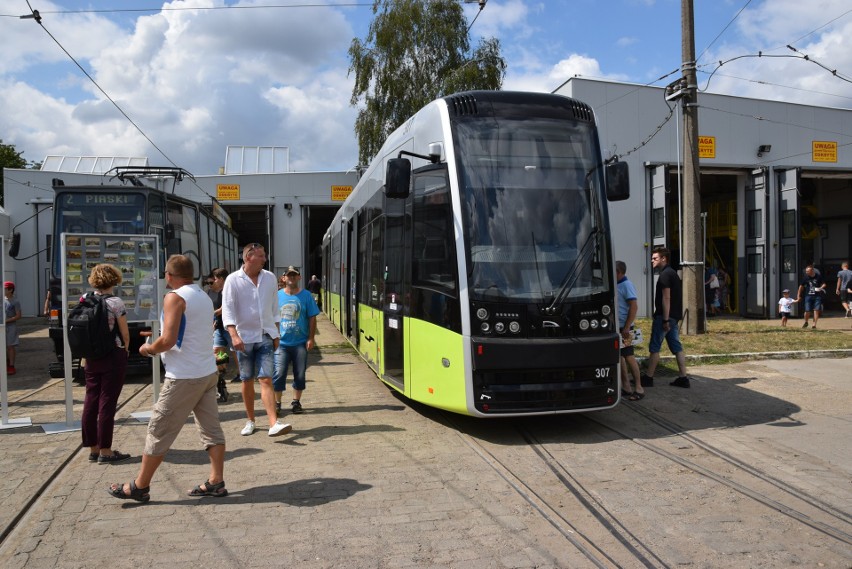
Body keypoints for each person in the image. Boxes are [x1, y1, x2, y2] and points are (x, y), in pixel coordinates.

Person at [108, 255, 227, 503]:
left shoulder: (174, 297)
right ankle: (216, 481)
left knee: (159, 429)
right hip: (205, 372)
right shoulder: (203, 297)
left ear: (169, 275)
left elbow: (169, 341)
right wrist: (159, 333)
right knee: (211, 429)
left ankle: (140, 486)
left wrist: (149, 348)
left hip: (183, 377)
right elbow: (190, 329)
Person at [222, 243, 291, 437]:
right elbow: (227, 310)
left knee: (266, 378)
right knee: (246, 380)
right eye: (261, 256)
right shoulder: (232, 280)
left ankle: (273, 423)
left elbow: (274, 307)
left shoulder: (269, 278)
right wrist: (233, 335)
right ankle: (250, 420)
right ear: (248, 258)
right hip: (243, 338)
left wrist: (276, 333)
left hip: (265, 335)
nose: (265, 259)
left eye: (264, 256)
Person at [80, 265, 132, 464]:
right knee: (107, 402)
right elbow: (124, 333)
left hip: (91, 356)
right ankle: (106, 451)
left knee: (90, 400)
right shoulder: (115, 302)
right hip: (112, 355)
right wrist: (125, 349)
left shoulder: (84, 299)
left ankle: (93, 449)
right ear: (114, 279)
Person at [641, 247, 690, 388]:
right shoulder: (672, 273)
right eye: (652, 258)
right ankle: (683, 377)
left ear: (664, 259)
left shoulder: (664, 276)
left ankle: (648, 378)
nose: (652, 260)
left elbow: (666, 298)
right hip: (674, 316)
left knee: (655, 347)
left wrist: (665, 320)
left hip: (665, 317)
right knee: (676, 346)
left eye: (655, 258)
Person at [273, 266, 320, 415]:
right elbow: (271, 317)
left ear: (299, 278)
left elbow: (312, 317)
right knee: (279, 373)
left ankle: (296, 402)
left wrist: (311, 338)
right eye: (289, 275)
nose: (292, 278)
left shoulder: (306, 296)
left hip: (300, 342)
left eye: (294, 275)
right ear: (284, 278)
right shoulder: (277, 296)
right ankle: (277, 403)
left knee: (299, 374)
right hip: (281, 343)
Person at [615, 261, 643, 401]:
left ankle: (639, 387)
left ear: (618, 272)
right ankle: (626, 386)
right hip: (618, 327)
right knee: (620, 357)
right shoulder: (618, 285)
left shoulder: (626, 285)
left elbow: (634, 306)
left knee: (629, 356)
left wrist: (627, 327)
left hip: (625, 328)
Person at [207, 267, 237, 397]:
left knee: (235, 350)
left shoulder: (228, 290)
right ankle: (221, 376)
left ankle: (241, 373)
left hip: (229, 326)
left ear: (221, 279)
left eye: (215, 279)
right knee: (218, 353)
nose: (213, 282)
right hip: (218, 327)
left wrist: (213, 314)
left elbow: (225, 307)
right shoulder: (212, 292)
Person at [797, 264, 827, 329]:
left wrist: (820, 288)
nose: (806, 272)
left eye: (808, 271)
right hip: (808, 296)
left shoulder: (818, 277)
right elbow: (801, 286)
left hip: (817, 296)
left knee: (816, 310)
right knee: (807, 311)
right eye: (806, 271)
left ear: (812, 270)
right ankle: (806, 322)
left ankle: (814, 324)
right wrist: (798, 295)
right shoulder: (805, 277)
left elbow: (824, 284)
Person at [4, 282, 21, 375]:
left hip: (11, 327)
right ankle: (5, 363)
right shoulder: (2, 300)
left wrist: (7, 320)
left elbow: (18, 315)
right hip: (2, 327)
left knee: (10, 346)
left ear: (10, 290)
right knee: (3, 346)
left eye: (5, 288)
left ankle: (11, 365)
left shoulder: (15, 301)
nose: (3, 290)